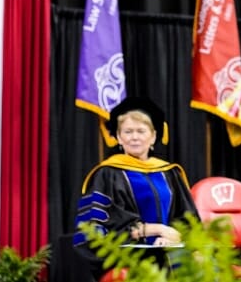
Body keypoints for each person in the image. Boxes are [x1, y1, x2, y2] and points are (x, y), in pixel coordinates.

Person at [73, 96, 199, 279]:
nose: (134, 137)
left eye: (141, 131)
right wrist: (153, 229)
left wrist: (175, 236)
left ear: (153, 136)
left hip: (172, 254)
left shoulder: (170, 173)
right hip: (130, 258)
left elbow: (188, 217)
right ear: (118, 138)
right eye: (128, 132)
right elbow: (93, 229)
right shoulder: (107, 174)